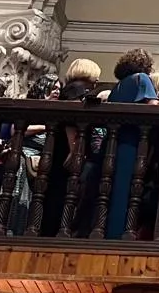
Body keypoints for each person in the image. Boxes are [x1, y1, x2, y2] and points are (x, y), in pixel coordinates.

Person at [104, 49, 159, 239]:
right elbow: (153, 107)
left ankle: (110, 231)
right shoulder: (142, 79)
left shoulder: (118, 86)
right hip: (133, 139)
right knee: (128, 187)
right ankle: (121, 233)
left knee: (114, 187)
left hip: (115, 139)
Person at [42, 59, 100, 236]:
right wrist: (75, 149)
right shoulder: (76, 89)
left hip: (63, 146)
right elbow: (71, 120)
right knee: (63, 192)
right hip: (68, 147)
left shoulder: (71, 88)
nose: (97, 79)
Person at [8, 73, 59, 233]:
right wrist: (45, 127)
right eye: (54, 88)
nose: (57, 92)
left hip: (42, 161)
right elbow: (16, 130)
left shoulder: (57, 111)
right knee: (19, 196)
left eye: (59, 89)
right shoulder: (31, 106)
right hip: (24, 159)